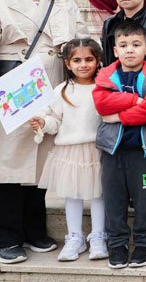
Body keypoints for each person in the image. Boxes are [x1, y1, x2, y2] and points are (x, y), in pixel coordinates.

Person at [0, 0, 87, 264]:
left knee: (40, 159)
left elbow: (78, 37)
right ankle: (7, 234)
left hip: (50, 82)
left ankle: (35, 229)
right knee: (9, 159)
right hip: (12, 80)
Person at [93, 20, 146, 269]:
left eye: (136, 44)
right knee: (114, 199)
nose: (129, 50)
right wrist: (136, 100)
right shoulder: (105, 75)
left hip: (143, 151)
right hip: (112, 151)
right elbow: (102, 104)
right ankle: (117, 244)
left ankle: (144, 244)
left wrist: (120, 114)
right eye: (123, 45)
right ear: (115, 50)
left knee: (144, 200)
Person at [30, 39, 107, 262]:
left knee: (98, 194)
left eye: (89, 59)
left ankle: (98, 236)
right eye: (77, 60)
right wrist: (43, 124)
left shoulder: (104, 88)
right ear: (67, 63)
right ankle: (75, 237)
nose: (83, 65)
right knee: (72, 195)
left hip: (98, 149)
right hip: (69, 152)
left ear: (98, 60)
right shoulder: (61, 90)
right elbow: (54, 120)